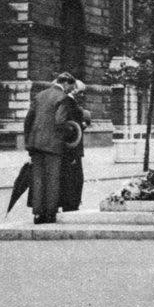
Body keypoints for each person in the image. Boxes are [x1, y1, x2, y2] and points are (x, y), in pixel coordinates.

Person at [23, 71, 77, 224]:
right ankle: (50, 213)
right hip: (53, 145)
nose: (70, 91)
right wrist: (72, 130)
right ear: (65, 83)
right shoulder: (63, 98)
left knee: (38, 178)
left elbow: (28, 120)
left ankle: (38, 214)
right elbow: (60, 121)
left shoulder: (40, 95)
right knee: (53, 178)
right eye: (70, 88)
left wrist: (29, 141)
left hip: (35, 144)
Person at [60, 80, 91, 212]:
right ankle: (71, 204)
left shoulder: (70, 102)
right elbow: (70, 127)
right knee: (74, 177)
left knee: (73, 177)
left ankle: (71, 203)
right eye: (81, 92)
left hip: (72, 147)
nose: (82, 96)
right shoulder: (69, 103)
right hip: (72, 148)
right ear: (74, 90)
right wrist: (82, 125)